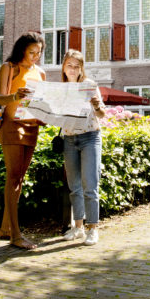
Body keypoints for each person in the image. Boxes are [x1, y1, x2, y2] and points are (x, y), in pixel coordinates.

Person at [0, 32, 46, 249]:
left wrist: (46, 116)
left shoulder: (41, 73)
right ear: (22, 50)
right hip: (12, 126)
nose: (35, 56)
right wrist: (16, 96)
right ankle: (16, 236)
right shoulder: (9, 67)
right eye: (32, 52)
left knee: (20, 179)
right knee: (13, 178)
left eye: (39, 53)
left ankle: (6, 229)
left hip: (32, 126)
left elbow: (42, 102)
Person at [60, 49, 105, 246]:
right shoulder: (59, 89)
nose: (72, 69)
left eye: (76, 66)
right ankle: (77, 227)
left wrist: (96, 106)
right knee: (74, 186)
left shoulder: (89, 85)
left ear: (81, 69)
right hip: (69, 139)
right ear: (63, 67)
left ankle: (93, 229)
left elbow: (102, 114)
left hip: (90, 137)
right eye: (69, 65)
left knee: (90, 185)